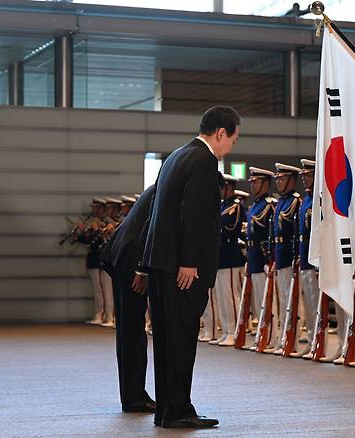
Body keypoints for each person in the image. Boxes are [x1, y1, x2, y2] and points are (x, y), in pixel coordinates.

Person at [140, 105, 240, 428]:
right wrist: (190, 261)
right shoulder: (204, 162)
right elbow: (194, 216)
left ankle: (167, 410)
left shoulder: (175, 157)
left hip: (160, 263)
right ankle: (179, 409)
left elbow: (158, 214)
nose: (230, 148)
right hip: (181, 268)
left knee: (168, 341)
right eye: (232, 141)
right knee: (181, 339)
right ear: (220, 133)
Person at [100, 186, 156, 414]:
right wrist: (142, 269)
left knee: (128, 333)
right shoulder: (167, 192)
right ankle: (134, 397)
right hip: (131, 262)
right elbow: (150, 230)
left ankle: (132, 395)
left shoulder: (158, 187)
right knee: (133, 334)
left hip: (122, 257)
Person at [264, 163, 301, 354]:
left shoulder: (296, 202)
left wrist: (296, 255)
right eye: (277, 178)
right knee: (281, 299)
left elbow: (296, 231)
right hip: (279, 254)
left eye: (282, 178)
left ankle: (291, 339)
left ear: (291, 180)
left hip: (289, 254)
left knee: (290, 299)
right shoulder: (281, 202)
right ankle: (282, 338)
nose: (278, 181)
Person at [208, 174, 246, 347]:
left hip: (231, 257)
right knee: (222, 297)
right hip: (220, 258)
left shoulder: (236, 206)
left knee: (231, 296)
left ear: (229, 188)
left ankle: (234, 331)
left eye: (221, 188)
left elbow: (231, 227)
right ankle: (226, 330)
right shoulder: (222, 206)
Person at [245, 167, 277, 349]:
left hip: (264, 258)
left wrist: (268, 259)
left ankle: (271, 338)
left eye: (256, 182)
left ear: (265, 183)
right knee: (258, 301)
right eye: (252, 182)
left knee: (269, 302)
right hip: (254, 257)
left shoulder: (269, 205)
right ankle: (262, 335)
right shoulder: (257, 205)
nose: (253, 185)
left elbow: (270, 235)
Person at [292, 159, 320, 357]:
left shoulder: (320, 199)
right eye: (303, 176)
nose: (304, 179)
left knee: (315, 301)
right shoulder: (306, 201)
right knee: (309, 303)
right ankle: (311, 339)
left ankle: (319, 341)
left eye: (308, 175)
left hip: (315, 258)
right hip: (304, 255)